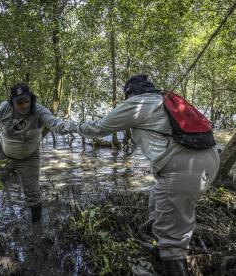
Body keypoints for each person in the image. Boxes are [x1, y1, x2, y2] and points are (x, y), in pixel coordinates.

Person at [74, 75, 220, 275]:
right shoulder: (166, 98)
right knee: (157, 201)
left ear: (130, 93)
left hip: (184, 168)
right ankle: (162, 251)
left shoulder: (137, 102)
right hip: (209, 160)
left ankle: (170, 254)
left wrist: (72, 127)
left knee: (172, 236)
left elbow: (99, 128)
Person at [0, 83, 76, 223]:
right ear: (12, 103)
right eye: (19, 103)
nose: (24, 106)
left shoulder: (38, 110)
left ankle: (37, 228)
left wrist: (70, 127)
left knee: (32, 193)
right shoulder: (3, 108)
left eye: (27, 101)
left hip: (29, 156)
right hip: (3, 154)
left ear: (31, 99)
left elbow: (53, 123)